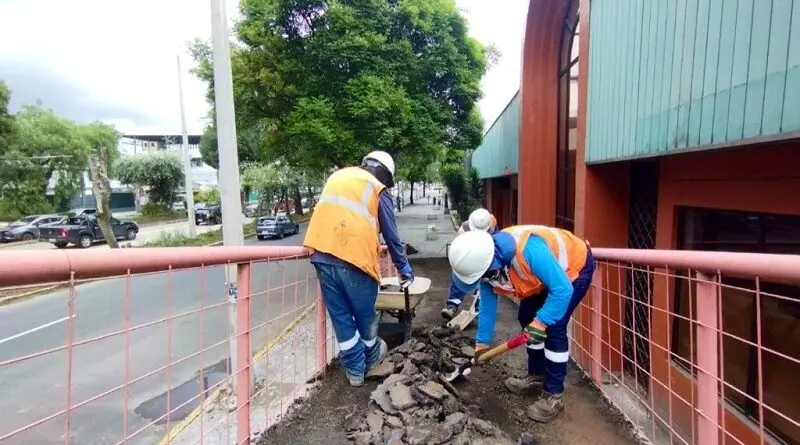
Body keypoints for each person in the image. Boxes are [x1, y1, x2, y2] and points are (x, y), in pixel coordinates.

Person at [447, 225, 596, 423]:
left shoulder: (529, 250)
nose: (484, 280)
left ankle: (554, 395)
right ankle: (536, 376)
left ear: (491, 263)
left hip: (573, 269)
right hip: (542, 277)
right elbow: (487, 307)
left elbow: (562, 289)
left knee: (554, 326)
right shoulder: (485, 266)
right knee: (526, 316)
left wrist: (541, 322)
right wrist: (482, 344)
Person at [304, 150, 414, 387]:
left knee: (341, 316)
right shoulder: (376, 188)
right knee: (366, 316)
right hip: (355, 258)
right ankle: (372, 357)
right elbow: (391, 235)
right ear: (384, 173)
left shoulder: (338, 176)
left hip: (321, 254)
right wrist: (404, 268)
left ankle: (355, 372)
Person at [440, 208, 498, 320]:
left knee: (483, 281)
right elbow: (460, 246)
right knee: (460, 276)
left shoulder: (491, 225)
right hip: (468, 253)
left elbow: (494, 243)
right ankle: (452, 306)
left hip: (484, 254)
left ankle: (479, 308)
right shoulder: (465, 228)